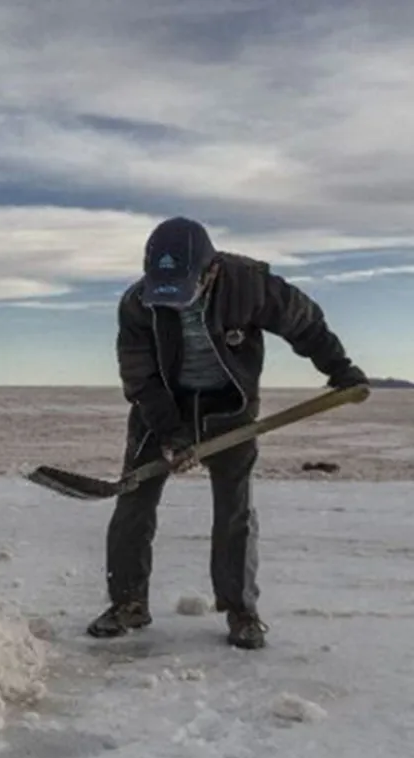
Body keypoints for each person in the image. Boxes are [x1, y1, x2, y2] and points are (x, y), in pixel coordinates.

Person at [87, 217, 368, 650]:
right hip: (161, 408)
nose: (174, 304)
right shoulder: (137, 304)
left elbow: (304, 323)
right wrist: (170, 433)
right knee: (133, 502)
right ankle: (127, 602)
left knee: (234, 510)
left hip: (229, 410)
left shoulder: (250, 285)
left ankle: (240, 610)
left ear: (210, 270)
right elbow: (140, 377)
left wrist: (339, 369)